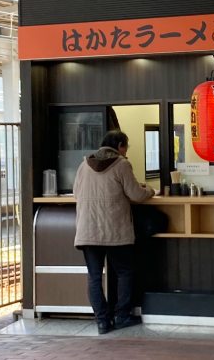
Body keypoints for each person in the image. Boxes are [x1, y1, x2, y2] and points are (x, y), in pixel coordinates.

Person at [73, 130, 155, 334]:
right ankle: (122, 316)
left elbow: (76, 192)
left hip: (88, 230)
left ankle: (102, 321)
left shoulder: (85, 165)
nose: (126, 152)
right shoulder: (121, 164)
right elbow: (136, 195)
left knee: (94, 276)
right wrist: (151, 191)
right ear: (119, 145)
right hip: (114, 231)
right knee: (125, 272)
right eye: (126, 147)